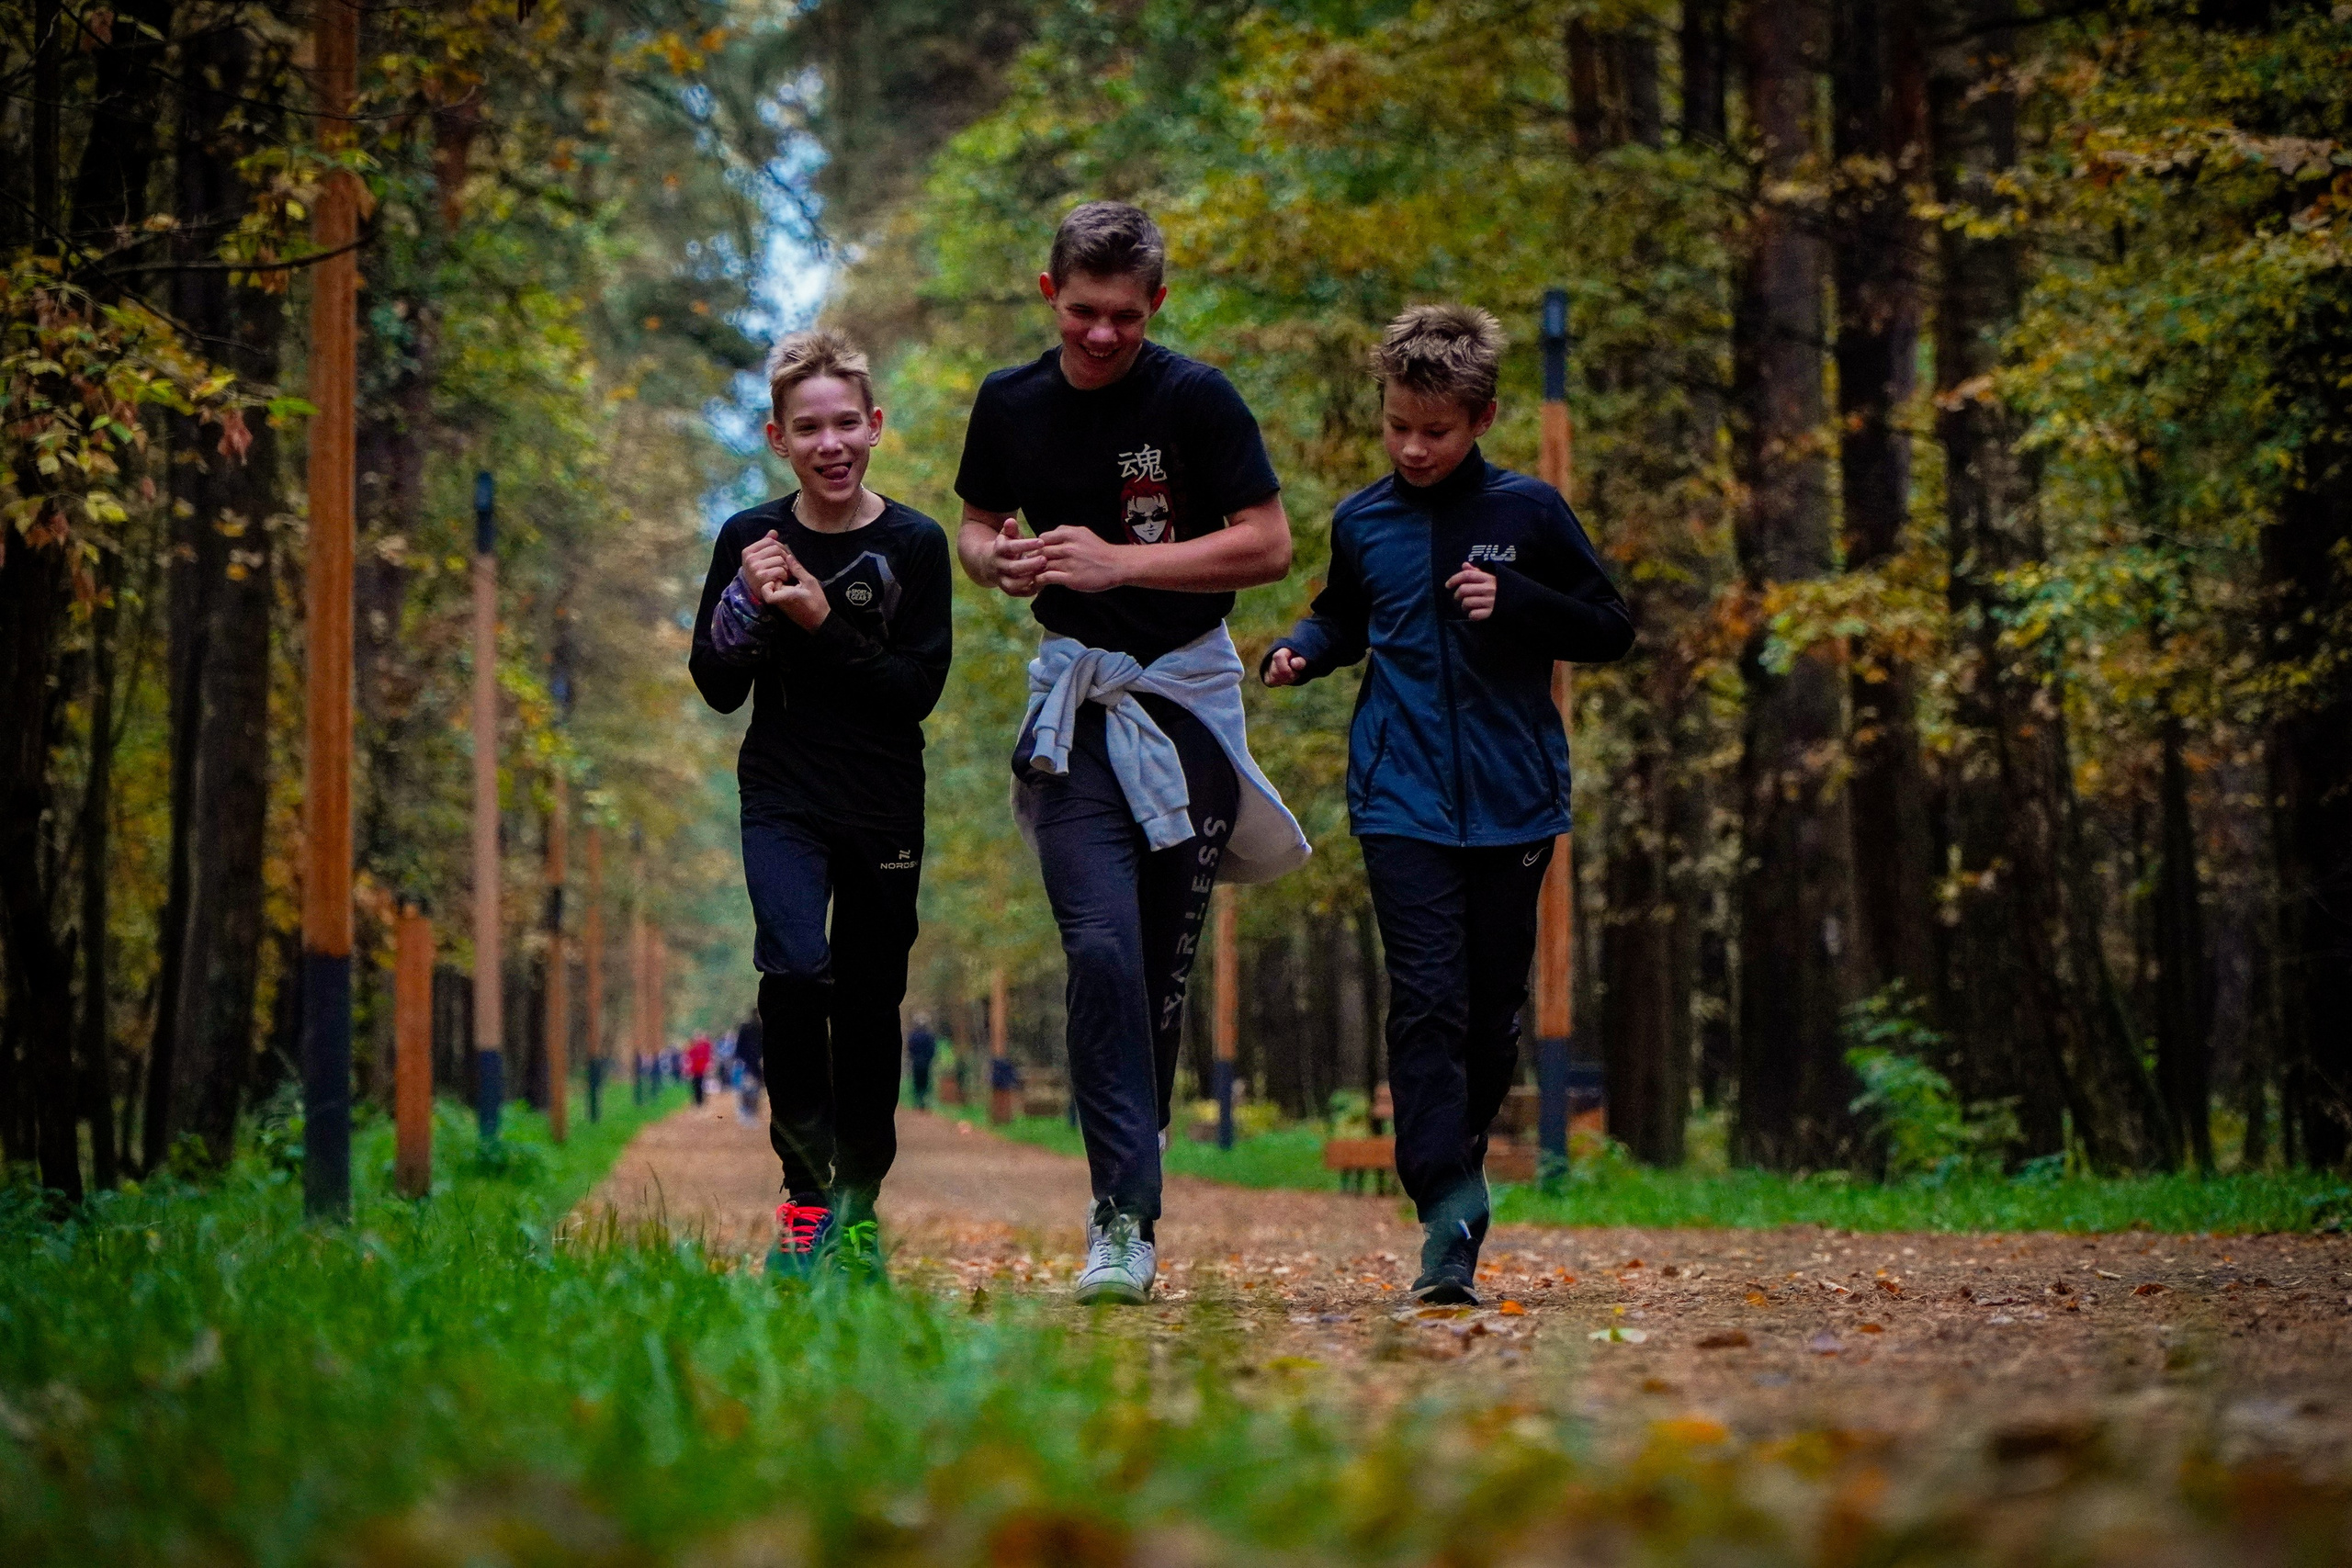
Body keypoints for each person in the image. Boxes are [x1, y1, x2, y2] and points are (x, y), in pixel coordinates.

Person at [955, 201, 1309, 1305]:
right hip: (1073, 716)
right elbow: (974, 525)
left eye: (1121, 315)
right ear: (1046, 294)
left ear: (1156, 302)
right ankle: (1121, 1220)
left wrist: (1122, 567)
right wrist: (997, 565)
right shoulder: (1009, 403)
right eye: (1080, 314)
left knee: (1156, 971)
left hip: (1188, 705)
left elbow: (1269, 544)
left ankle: (1128, 1181)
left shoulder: (1195, 399)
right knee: (1098, 950)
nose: (1100, 335)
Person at [1261, 305, 1633, 1304]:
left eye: (1435, 430)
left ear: (1480, 418)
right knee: (1426, 998)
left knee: (1486, 1014)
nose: (1414, 448)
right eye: (1397, 427)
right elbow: (1345, 612)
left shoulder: (1530, 514)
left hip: (1514, 799)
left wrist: (1521, 607)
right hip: (1399, 793)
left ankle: (1449, 1195)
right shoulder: (1362, 521)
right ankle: (1448, 1213)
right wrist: (1304, 647)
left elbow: (1609, 625)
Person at [689, 327, 953, 1283]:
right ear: (779, 439)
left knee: (872, 1004)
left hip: (883, 797)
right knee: (798, 974)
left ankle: (859, 1207)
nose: (831, 442)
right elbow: (716, 685)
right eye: (810, 428)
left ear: (875, 427)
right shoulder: (746, 539)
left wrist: (817, 618)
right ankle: (804, 1198)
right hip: (783, 794)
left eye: (847, 422)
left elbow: (912, 690)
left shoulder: (915, 544)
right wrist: (747, 610)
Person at [905, 1014, 938, 1111]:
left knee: (917, 1081)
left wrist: (912, 1057)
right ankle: (923, 1101)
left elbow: (910, 1048)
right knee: (925, 1081)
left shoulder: (913, 1035)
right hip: (926, 1062)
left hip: (916, 1062)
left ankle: (918, 1101)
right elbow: (932, 1049)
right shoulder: (929, 1035)